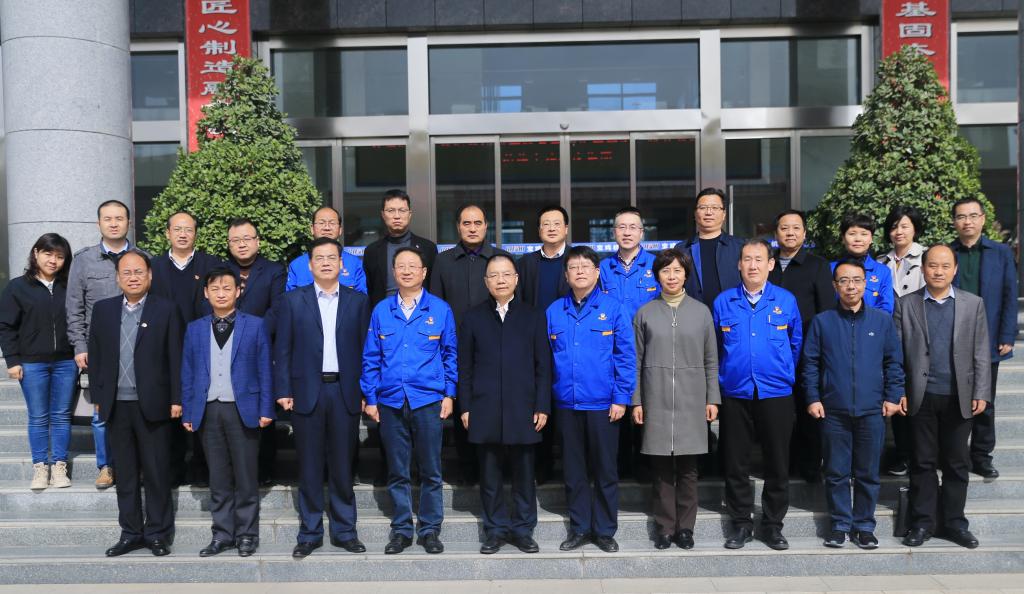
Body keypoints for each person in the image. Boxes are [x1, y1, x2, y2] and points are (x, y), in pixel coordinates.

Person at [274, 238, 370, 559]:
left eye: (332, 258)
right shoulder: (292, 300)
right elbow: (282, 349)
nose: (326, 263)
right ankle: (310, 532)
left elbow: (367, 351)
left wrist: (365, 392)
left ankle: (345, 531)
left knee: (343, 465)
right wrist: (283, 390)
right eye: (320, 258)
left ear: (342, 264)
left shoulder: (358, 301)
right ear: (310, 265)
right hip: (306, 391)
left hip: (344, 391)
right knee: (309, 465)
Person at [802, 258, 905, 550]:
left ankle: (864, 526)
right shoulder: (822, 322)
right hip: (833, 410)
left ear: (866, 285)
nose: (851, 286)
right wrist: (813, 398)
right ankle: (839, 525)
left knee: (867, 473)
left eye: (857, 280)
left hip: (872, 409)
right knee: (836, 472)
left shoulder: (882, 321)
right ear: (835, 286)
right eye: (844, 281)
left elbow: (894, 362)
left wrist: (893, 396)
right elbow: (810, 364)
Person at [894, 245, 991, 549]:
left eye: (945, 266)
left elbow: (981, 352)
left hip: (959, 396)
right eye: (933, 265)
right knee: (922, 461)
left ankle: (954, 523)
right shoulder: (906, 304)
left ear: (955, 270)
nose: (938, 271)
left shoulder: (972, 304)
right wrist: (898, 391)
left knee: (956, 462)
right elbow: (896, 354)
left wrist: (981, 391)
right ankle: (923, 523)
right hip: (920, 396)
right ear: (923, 268)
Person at [361, 247, 457, 555]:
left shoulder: (440, 309)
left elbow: (450, 355)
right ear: (393, 272)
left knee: (431, 470)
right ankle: (401, 529)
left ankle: (430, 529)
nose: (406, 271)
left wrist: (449, 394)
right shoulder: (381, 311)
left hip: (427, 400)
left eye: (412, 266)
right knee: (397, 470)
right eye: (400, 266)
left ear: (424, 272)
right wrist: (371, 397)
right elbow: (371, 357)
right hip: (390, 401)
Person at [89, 250, 183, 557]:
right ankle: (130, 533)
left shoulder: (166, 309)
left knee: (156, 472)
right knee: (126, 474)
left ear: (149, 276)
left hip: (154, 404)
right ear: (118, 278)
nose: (133, 277)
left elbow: (176, 356)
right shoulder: (103, 310)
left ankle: (157, 533)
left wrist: (176, 398)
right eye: (126, 273)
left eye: (138, 272)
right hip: (116, 405)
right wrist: (99, 398)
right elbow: (97, 356)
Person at [457, 254, 551, 555]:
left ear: (516, 279)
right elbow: (465, 367)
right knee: (490, 475)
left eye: (506, 274)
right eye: (494, 275)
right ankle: (495, 530)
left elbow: (543, 366)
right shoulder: (472, 317)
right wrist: (465, 406)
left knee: (524, 474)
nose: (500, 280)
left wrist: (542, 405)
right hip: (484, 407)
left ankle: (523, 530)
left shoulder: (533, 316)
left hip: (523, 407)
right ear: (486, 282)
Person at [547, 246, 636, 554]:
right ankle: (580, 527)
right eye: (574, 267)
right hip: (567, 404)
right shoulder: (554, 311)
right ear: (566, 275)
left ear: (597, 273)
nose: (580, 271)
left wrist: (621, 398)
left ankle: (605, 530)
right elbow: (546, 359)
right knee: (574, 471)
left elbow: (625, 357)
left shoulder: (613, 308)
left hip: (603, 405)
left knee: (605, 470)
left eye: (586, 266)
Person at [713, 238, 802, 551]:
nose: (753, 265)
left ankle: (773, 525)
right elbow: (716, 348)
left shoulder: (786, 301)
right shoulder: (723, 302)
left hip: (776, 393)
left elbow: (795, 344)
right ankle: (740, 524)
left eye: (759, 259)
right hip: (735, 392)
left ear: (770, 264)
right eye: (747, 259)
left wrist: (780, 371)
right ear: (739, 264)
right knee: (735, 462)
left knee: (777, 462)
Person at [180, 266, 274, 558]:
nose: (221, 294)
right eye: (215, 289)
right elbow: (188, 372)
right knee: (218, 477)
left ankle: (247, 534)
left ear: (238, 291)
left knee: (246, 476)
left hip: (243, 409)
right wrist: (188, 411)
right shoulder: (195, 328)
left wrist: (266, 408)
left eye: (227, 288)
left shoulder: (255, 325)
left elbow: (265, 369)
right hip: (208, 409)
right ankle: (222, 534)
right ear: (206, 293)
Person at [631, 248, 720, 550]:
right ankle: (665, 527)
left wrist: (712, 398)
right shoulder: (645, 313)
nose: (672, 276)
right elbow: (635, 361)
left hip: (692, 398)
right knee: (660, 469)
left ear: (686, 275)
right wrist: (636, 401)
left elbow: (711, 359)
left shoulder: (701, 312)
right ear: (657, 276)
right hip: (655, 397)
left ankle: (686, 528)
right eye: (665, 270)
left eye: (677, 270)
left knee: (688, 468)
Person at [66, 199, 145, 489]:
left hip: (137, 346)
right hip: (99, 349)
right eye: (108, 219)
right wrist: (79, 345)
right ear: (99, 223)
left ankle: (136, 465)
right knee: (101, 410)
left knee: (137, 408)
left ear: (129, 223)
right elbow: (74, 307)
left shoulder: (143, 257)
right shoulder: (83, 260)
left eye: (119, 218)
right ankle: (106, 466)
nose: (114, 223)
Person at [431, 204, 512, 486]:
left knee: (497, 407)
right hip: (456, 349)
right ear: (458, 227)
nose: (473, 228)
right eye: (467, 223)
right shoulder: (443, 262)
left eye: (478, 222)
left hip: (495, 349)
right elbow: (436, 306)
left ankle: (499, 470)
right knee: (463, 409)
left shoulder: (501, 259)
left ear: (486, 226)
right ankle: (468, 471)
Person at [150, 211, 224, 487]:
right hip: (163, 350)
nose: (183, 234)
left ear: (196, 233)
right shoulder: (153, 267)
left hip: (203, 347)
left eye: (188, 229)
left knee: (203, 407)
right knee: (170, 408)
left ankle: (202, 469)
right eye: (177, 229)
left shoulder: (211, 264)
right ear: (167, 233)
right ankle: (173, 469)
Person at [0, 233, 76, 490]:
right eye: (48, 254)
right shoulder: (17, 287)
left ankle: (59, 466)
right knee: (38, 416)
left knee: (62, 416)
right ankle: (40, 467)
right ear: (36, 253)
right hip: (32, 364)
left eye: (60, 256)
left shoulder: (69, 286)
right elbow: (6, 326)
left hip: (66, 362)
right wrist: (12, 360)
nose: (53, 260)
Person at [950, 197, 1018, 480]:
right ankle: (954, 454)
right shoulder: (947, 253)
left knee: (984, 402)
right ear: (954, 221)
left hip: (987, 338)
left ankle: (981, 456)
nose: (967, 221)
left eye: (972, 216)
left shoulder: (1000, 252)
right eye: (961, 216)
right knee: (953, 400)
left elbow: (1009, 295)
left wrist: (1007, 334)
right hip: (952, 338)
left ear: (983, 219)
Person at [599, 206, 659, 481]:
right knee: (619, 406)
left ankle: (646, 467)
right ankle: (622, 466)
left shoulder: (655, 266)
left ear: (642, 232)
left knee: (647, 406)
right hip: (613, 351)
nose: (627, 232)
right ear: (614, 232)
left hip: (649, 348)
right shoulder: (603, 268)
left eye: (632, 227)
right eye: (621, 227)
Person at [225, 217, 286, 486]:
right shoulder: (221, 270)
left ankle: (264, 469)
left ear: (257, 242)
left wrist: (252, 334)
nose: (241, 244)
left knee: (263, 410)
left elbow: (277, 308)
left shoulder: (274, 270)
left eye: (247, 239)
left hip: (263, 350)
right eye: (235, 240)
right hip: (226, 350)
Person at [515, 204, 571, 483]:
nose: (551, 228)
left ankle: (571, 467)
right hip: (535, 345)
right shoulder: (526, 264)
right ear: (538, 230)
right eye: (545, 223)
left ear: (566, 229)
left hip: (569, 345)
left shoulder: (577, 260)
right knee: (539, 404)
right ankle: (543, 468)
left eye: (556, 223)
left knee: (567, 406)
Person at [877, 205, 927, 477]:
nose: (899, 231)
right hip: (887, 336)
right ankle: (903, 453)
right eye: (894, 226)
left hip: (918, 334)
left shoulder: (927, 257)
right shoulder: (880, 261)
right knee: (896, 392)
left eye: (905, 226)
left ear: (915, 229)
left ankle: (921, 454)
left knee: (918, 394)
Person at [362, 189, 438, 307]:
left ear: (409, 214)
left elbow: (434, 287)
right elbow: (369, 290)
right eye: (391, 210)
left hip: (421, 313)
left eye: (402, 210)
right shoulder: (372, 251)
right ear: (383, 215)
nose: (397, 216)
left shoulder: (428, 248)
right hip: (384, 313)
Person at [674, 188, 744, 308]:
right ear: (695, 213)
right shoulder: (682, 249)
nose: (708, 212)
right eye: (703, 207)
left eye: (715, 208)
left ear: (724, 214)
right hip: (693, 314)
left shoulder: (740, 247)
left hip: (733, 314)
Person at [286, 206, 366, 294]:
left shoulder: (355, 263)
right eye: (321, 223)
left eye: (332, 223)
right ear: (312, 229)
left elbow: (362, 298)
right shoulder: (297, 265)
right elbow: (291, 299)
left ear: (340, 229)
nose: (327, 228)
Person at [830, 213, 894, 314]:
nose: (858, 239)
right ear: (843, 238)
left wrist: (865, 322)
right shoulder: (830, 269)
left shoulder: (883, 272)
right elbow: (825, 304)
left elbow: (886, 307)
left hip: (873, 323)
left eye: (864, 234)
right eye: (852, 234)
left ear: (871, 238)